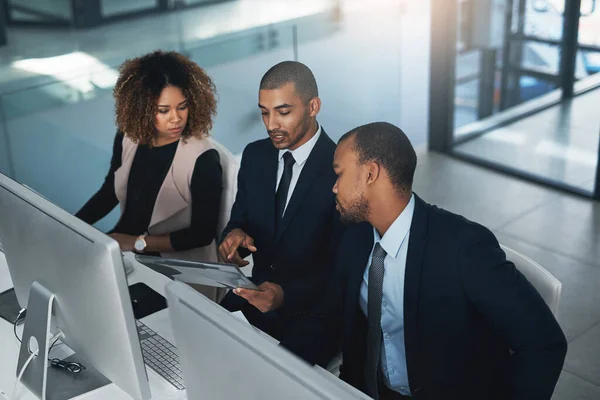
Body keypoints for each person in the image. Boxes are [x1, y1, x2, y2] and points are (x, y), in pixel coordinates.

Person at [281, 122, 567, 400]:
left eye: (339, 174)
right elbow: (329, 319)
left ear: (370, 173)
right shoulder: (355, 236)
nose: (333, 187)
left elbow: (543, 343)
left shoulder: (463, 248)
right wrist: (275, 361)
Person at [76, 51, 224, 299]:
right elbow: (109, 191)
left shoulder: (204, 159)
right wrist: (72, 226)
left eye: (182, 107)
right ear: (143, 109)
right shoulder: (128, 136)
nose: (176, 119)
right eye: (163, 110)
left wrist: (135, 242)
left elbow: (201, 234)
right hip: (127, 253)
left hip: (176, 271)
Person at [218, 61, 343, 340]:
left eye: (283, 112)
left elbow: (344, 268)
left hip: (311, 313)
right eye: (264, 113)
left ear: (313, 107)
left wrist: (285, 295)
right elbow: (239, 220)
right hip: (254, 296)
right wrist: (234, 236)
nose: (271, 125)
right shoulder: (254, 156)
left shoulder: (340, 170)